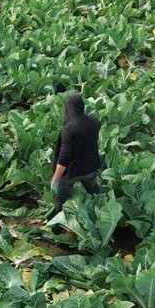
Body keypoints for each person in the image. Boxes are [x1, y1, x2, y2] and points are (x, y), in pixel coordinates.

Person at [49, 92, 102, 226]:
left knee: (59, 199)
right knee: (93, 191)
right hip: (91, 167)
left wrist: (56, 179)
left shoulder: (69, 129)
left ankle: (57, 226)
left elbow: (64, 157)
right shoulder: (94, 121)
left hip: (73, 171)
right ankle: (99, 215)